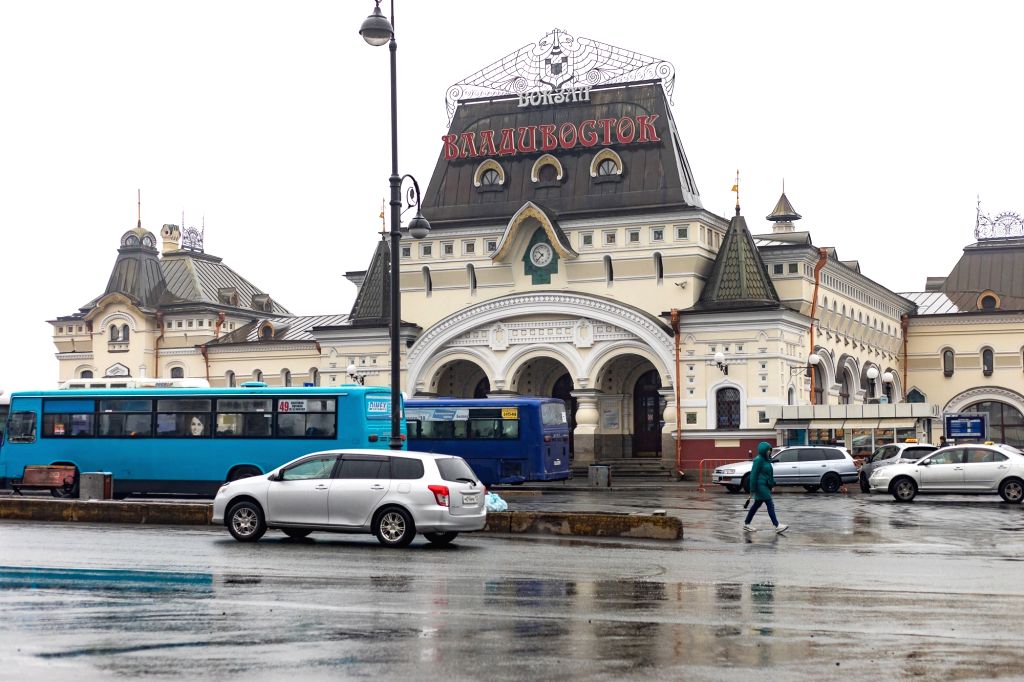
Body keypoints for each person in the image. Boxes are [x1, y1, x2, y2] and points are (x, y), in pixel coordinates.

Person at [744, 441, 788, 534]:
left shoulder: (767, 460)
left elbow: (769, 474)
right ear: (763, 450)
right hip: (760, 486)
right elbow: (753, 475)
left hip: (765, 485)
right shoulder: (758, 460)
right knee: (769, 503)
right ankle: (777, 525)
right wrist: (752, 489)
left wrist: (771, 485)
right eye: (768, 450)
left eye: (770, 450)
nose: (769, 452)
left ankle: (747, 523)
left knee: (756, 505)